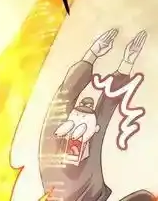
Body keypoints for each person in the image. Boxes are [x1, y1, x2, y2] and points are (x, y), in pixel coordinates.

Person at [39, 28, 152, 201]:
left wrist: (95, 55)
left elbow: (70, 96)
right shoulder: (53, 152)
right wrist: (98, 58)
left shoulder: (59, 152)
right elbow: (67, 96)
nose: (86, 106)